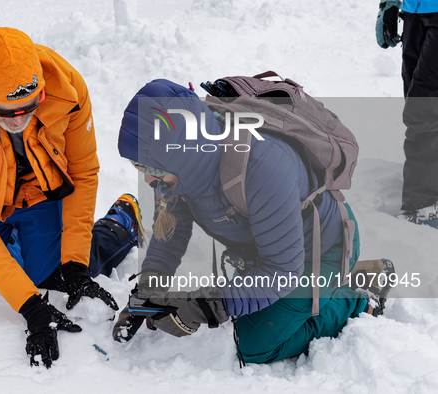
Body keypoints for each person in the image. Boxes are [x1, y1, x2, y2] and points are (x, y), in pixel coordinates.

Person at [111, 79, 393, 364]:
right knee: (246, 308)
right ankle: (337, 282)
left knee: (255, 344)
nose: (147, 177)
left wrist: (206, 308)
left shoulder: (262, 165)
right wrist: (148, 290)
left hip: (319, 250)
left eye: (151, 167)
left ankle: (355, 301)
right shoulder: (182, 173)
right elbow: (169, 234)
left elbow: (282, 270)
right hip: (270, 251)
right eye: (139, 167)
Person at [0, 27, 143, 368]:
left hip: (41, 195)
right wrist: (30, 306)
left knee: (57, 277)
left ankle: (119, 224)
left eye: (30, 106)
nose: (21, 119)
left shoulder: (67, 87)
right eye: (8, 112)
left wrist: (75, 266)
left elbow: (83, 173)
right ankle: (9, 249)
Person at [377, 0, 438, 226]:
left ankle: (425, 204)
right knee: (419, 104)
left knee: (422, 110)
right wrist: (390, 4)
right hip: (415, 13)